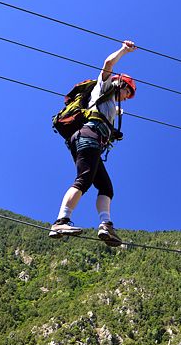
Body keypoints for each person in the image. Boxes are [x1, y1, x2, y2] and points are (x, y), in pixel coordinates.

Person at [49, 40, 137, 246]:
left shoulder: (111, 107)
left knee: (106, 187)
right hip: (87, 137)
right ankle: (60, 221)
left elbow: (104, 119)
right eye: (128, 91)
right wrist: (124, 51)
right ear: (120, 84)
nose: (127, 97)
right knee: (85, 179)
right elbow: (107, 64)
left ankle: (106, 226)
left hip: (91, 141)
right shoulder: (104, 86)